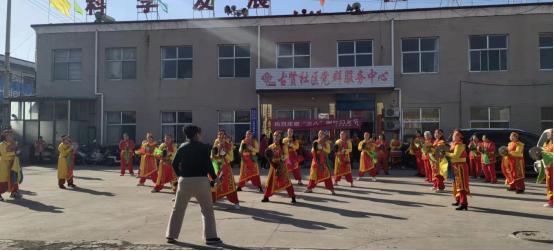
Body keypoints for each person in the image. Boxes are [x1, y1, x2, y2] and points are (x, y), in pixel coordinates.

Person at [166, 125, 222, 245]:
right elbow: (208, 165)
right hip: (201, 181)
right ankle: (210, 237)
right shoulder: (203, 147)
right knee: (207, 210)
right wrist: (215, 178)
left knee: (178, 209)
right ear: (196, 134)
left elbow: (174, 163)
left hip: (185, 181)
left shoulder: (182, 147)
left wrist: (180, 175)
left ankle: (171, 236)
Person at [261, 130, 296, 203]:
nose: (275, 137)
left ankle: (293, 196)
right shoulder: (270, 146)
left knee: (286, 181)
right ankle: (266, 197)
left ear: (280, 137)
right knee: (270, 182)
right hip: (273, 166)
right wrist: (269, 158)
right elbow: (268, 157)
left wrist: (281, 160)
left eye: (277, 136)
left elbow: (286, 155)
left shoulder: (283, 145)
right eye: (274, 135)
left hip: (282, 165)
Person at [211, 130, 240, 209]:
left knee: (229, 185)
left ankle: (236, 202)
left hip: (225, 167)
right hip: (216, 166)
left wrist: (224, 154)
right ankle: (212, 200)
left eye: (222, 135)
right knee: (213, 184)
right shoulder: (216, 143)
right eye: (218, 135)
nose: (220, 137)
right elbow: (213, 156)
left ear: (225, 137)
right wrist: (212, 154)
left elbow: (231, 158)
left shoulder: (229, 145)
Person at [305, 130, 335, 194]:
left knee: (327, 175)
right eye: (319, 134)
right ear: (318, 135)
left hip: (323, 160)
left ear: (324, 135)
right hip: (316, 160)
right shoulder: (315, 142)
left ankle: (331, 189)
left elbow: (328, 151)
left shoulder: (326, 142)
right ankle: (309, 188)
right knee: (313, 175)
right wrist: (313, 150)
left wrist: (322, 148)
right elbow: (312, 150)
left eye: (322, 134)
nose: (320, 135)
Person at [447, 130, 470, 210]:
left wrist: (445, 153)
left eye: (455, 134)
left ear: (460, 137)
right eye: (453, 134)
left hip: (461, 167)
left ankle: (464, 203)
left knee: (462, 185)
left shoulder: (460, 145)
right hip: (456, 166)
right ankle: (459, 199)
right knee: (456, 184)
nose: (453, 136)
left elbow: (456, 156)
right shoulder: (454, 145)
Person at [0, 130, 23, 200]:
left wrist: (18, 152)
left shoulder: (14, 143)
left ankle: (14, 192)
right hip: (4, 165)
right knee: (3, 180)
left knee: (14, 177)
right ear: (5, 136)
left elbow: (17, 151)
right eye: (8, 135)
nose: (10, 137)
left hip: (14, 164)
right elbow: (4, 155)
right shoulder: (2, 144)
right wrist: (14, 153)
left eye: (11, 135)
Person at [542, 129, 553, 208]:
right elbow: (543, 152)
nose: (548, 135)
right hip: (548, 167)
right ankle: (551, 201)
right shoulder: (546, 143)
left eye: (550, 133)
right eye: (548, 134)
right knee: (549, 184)